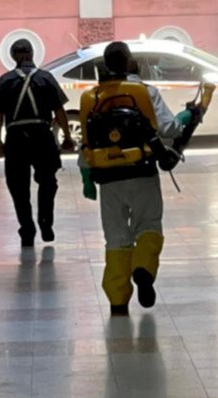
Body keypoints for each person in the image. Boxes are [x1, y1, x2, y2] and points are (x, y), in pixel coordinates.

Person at [78, 41, 185, 317]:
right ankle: (143, 269)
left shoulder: (92, 98)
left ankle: (117, 301)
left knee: (115, 237)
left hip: (108, 178)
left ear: (105, 65)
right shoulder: (143, 92)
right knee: (149, 223)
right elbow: (169, 127)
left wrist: (87, 177)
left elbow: (86, 143)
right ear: (128, 63)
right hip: (142, 170)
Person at [0, 38, 75, 247]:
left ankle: (27, 229)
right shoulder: (46, 78)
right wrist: (67, 136)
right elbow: (59, 111)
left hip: (16, 137)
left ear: (13, 57)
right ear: (32, 54)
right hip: (42, 136)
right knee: (47, 182)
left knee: (18, 186)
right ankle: (46, 222)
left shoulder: (5, 80)